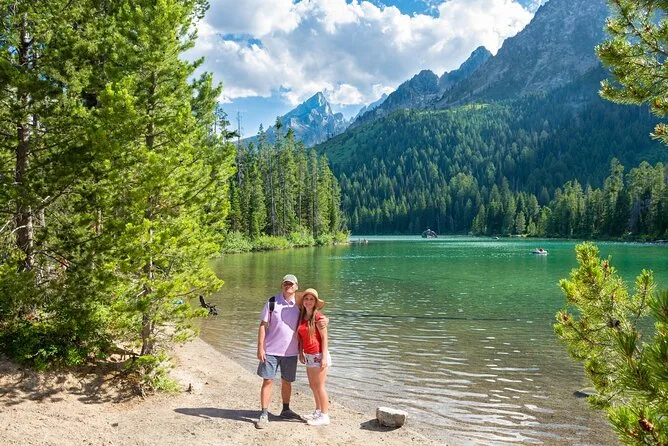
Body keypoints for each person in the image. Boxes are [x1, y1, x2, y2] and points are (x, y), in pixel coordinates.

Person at [255, 274, 327, 429]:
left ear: (296, 287)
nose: (288, 286)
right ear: (282, 286)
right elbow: (263, 325)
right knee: (268, 380)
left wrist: (325, 320)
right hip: (270, 350)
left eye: (291, 284)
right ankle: (264, 413)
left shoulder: (300, 305)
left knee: (287, 381)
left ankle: (286, 410)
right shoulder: (272, 302)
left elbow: (313, 315)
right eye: (286, 284)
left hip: (291, 352)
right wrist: (260, 347)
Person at [297, 288, 331, 426]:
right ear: (303, 301)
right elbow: (301, 337)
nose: (308, 301)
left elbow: (324, 338)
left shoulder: (319, 317)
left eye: (311, 299)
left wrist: (324, 357)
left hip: (319, 354)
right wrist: (300, 352)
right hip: (309, 355)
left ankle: (325, 415)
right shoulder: (302, 316)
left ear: (315, 302)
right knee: (312, 385)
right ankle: (317, 411)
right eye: (306, 299)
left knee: (320, 386)